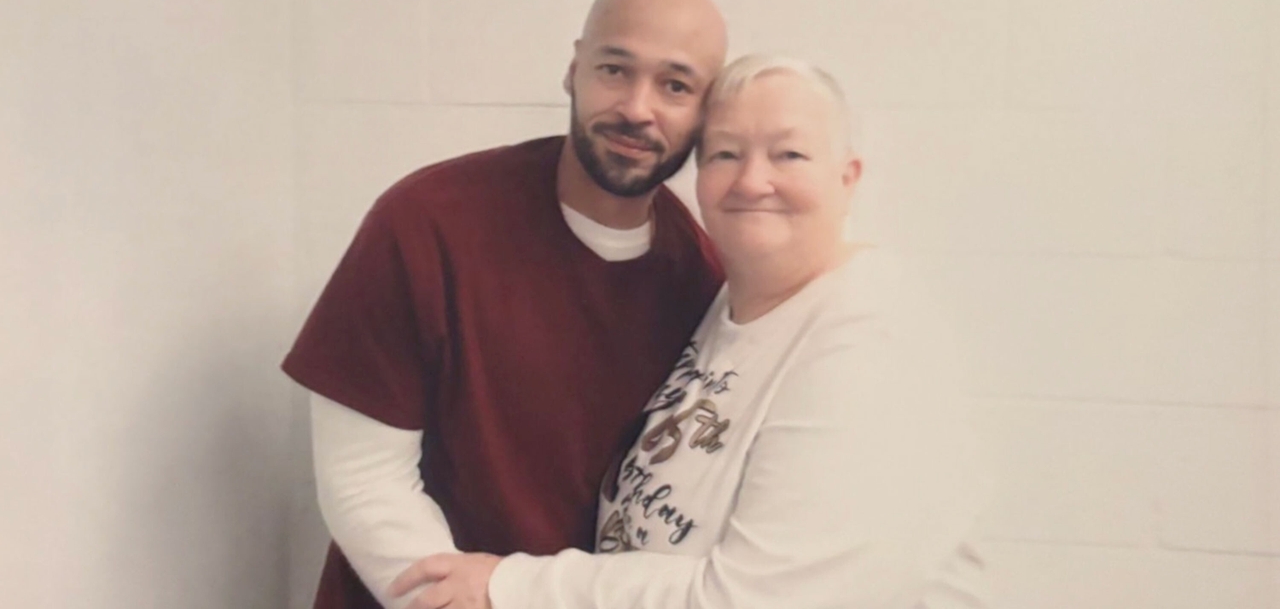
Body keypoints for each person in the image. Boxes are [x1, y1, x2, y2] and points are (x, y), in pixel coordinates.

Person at [391, 55, 991, 609]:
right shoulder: (731, 305)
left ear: (848, 177)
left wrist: (506, 585)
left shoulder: (870, 341)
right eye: (726, 154)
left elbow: (754, 600)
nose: (753, 181)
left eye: (790, 156)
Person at [282, 0, 729, 609]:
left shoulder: (704, 278)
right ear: (574, 70)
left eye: (675, 85)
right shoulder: (425, 222)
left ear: (706, 110)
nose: (637, 107)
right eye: (614, 69)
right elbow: (362, 481)